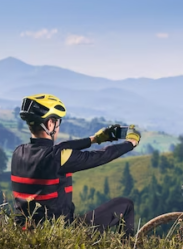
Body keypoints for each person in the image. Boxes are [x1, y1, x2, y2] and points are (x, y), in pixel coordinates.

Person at [11, 93, 140, 237]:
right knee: (125, 205)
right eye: (58, 122)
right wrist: (130, 143)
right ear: (50, 123)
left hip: (25, 232)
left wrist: (94, 139)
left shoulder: (18, 152)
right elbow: (101, 156)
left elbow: (60, 147)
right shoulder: (57, 157)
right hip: (61, 234)